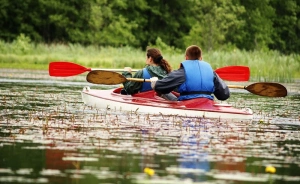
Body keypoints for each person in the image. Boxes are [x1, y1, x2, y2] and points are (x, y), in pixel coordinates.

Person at [150, 45, 230, 101]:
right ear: (201, 58)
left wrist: (155, 83)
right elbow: (224, 95)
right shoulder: (211, 72)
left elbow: (160, 87)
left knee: (164, 92)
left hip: (187, 103)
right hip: (207, 102)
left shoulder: (183, 71)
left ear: (186, 58)